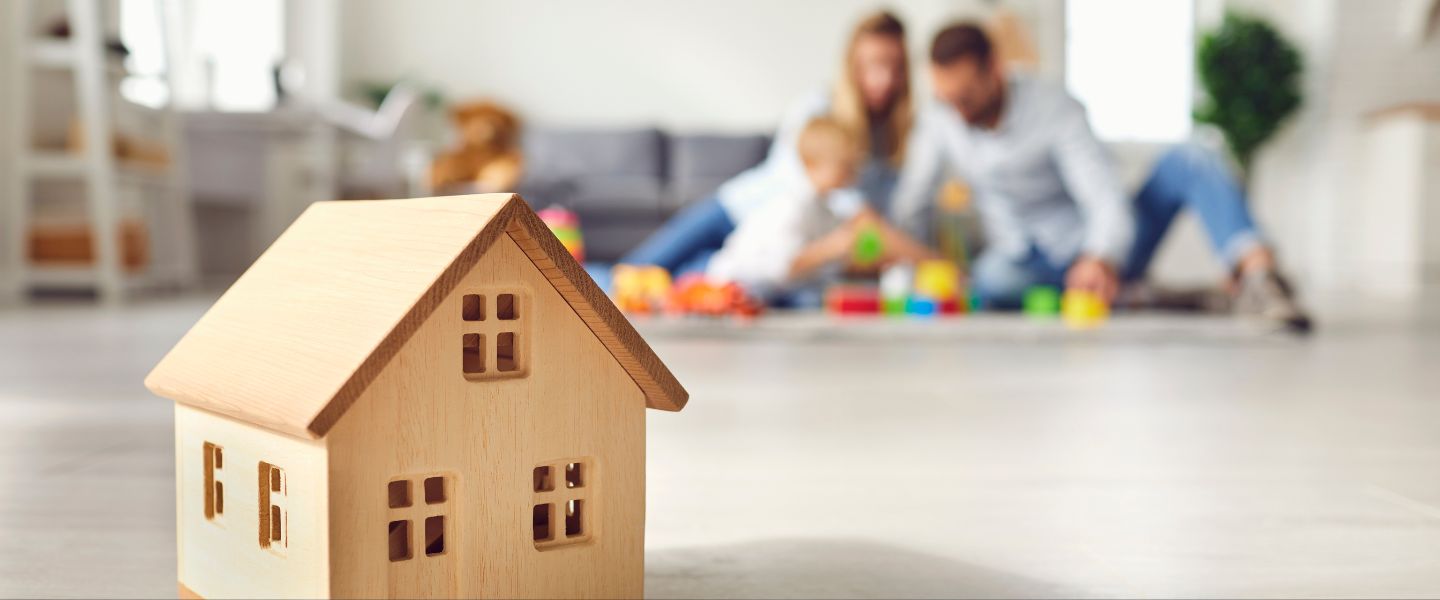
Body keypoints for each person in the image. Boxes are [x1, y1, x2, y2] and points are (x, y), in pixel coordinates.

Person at [891, 23, 1312, 332]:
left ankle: (1260, 279)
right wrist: (908, 265)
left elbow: (1103, 195)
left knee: (1194, 155)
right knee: (994, 280)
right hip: (1023, 261)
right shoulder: (940, 120)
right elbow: (913, 202)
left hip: (1098, 247)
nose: (958, 113)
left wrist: (1100, 256)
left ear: (995, 70)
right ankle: (1139, 296)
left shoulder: (1054, 108)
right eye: (948, 101)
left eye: (966, 98)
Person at [621, 10, 914, 275]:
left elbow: (875, 221)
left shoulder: (892, 138)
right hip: (735, 211)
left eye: (895, 67)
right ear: (852, 65)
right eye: (874, 65)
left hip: (766, 251)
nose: (884, 79)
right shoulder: (816, 107)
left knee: (683, 284)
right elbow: (846, 205)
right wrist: (929, 260)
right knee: (634, 272)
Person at [707, 117, 937, 304]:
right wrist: (832, 247)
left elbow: (834, 261)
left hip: (774, 292)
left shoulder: (826, 209)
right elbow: (785, 266)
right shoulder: (792, 206)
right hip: (732, 285)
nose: (853, 173)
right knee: (812, 301)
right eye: (844, 166)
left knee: (827, 294)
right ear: (811, 164)